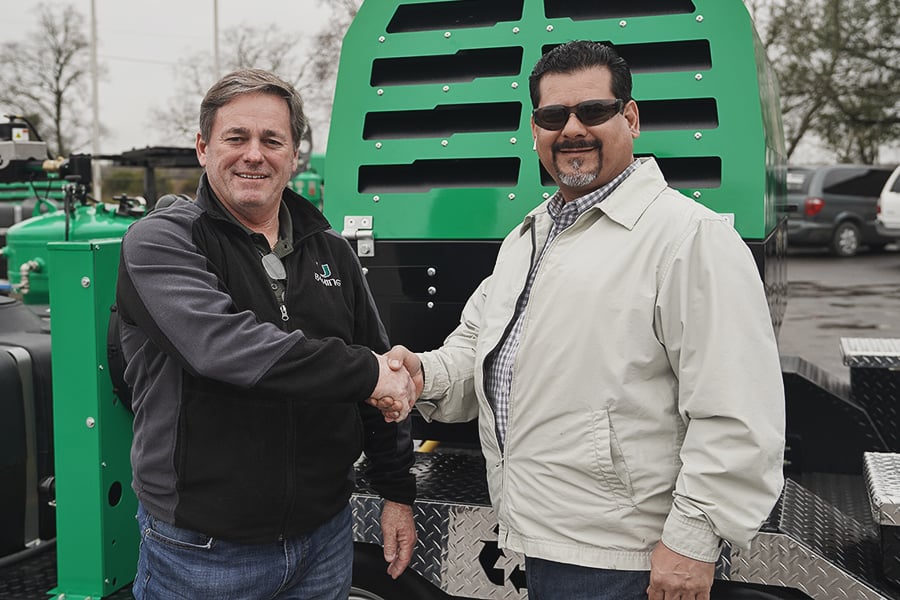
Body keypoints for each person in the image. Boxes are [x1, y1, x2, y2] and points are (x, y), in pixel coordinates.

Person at [375, 41, 785, 600]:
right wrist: (423, 373)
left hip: (626, 558)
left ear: (631, 117)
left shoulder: (689, 238)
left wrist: (694, 539)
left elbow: (738, 409)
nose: (572, 129)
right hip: (539, 540)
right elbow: (481, 345)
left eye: (593, 111)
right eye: (552, 116)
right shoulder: (533, 234)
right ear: (535, 128)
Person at [116, 68, 419, 599]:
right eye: (236, 138)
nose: (254, 154)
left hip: (325, 537)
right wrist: (369, 372)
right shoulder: (161, 243)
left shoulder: (332, 252)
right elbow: (223, 348)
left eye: (272, 140)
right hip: (203, 551)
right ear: (203, 147)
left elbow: (376, 363)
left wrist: (397, 491)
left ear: (294, 156)